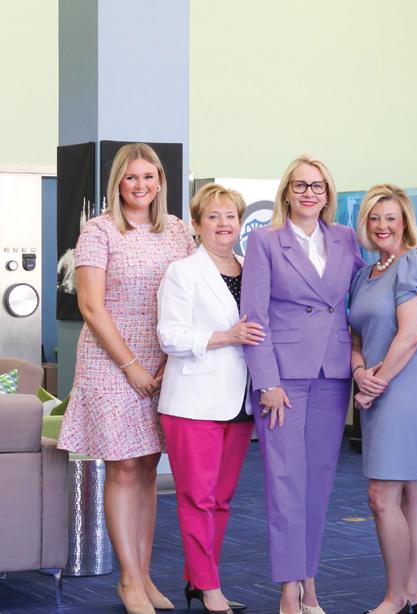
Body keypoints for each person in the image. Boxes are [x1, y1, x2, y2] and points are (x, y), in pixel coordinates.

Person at [57, 143, 195, 614]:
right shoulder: (98, 231)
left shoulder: (177, 230)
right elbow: (90, 306)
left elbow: (192, 293)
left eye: (148, 177)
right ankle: (129, 580)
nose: (141, 185)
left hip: (163, 358)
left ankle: (145, 573)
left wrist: (170, 359)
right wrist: (130, 365)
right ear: (117, 182)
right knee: (124, 466)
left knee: (149, 466)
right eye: (131, 177)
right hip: (111, 359)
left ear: (161, 181)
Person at [240, 155, 363, 614]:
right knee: (286, 483)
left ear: (328, 194)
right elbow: (254, 318)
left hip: (333, 375)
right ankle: (288, 590)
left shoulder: (345, 238)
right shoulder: (265, 241)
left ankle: (310, 583)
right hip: (283, 381)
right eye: (300, 185)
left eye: (317, 186)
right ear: (286, 193)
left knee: (318, 484)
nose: (309, 193)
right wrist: (266, 382)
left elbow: (364, 292)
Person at [157, 183, 265, 614]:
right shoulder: (182, 272)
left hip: (240, 403)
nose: (224, 224)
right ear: (197, 225)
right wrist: (226, 336)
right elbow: (170, 336)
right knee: (197, 499)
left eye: (231, 216)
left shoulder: (252, 269)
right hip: (194, 403)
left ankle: (198, 579)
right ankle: (209, 585)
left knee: (221, 500)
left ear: (241, 223)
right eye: (213, 217)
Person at [348, 184, 417, 614]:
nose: (382, 225)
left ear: (405, 222)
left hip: (407, 389)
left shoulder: (416, 264)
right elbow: (355, 337)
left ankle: (396, 597)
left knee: (382, 496)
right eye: (374, 218)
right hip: (375, 387)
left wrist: (376, 383)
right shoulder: (363, 275)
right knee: (409, 495)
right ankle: (415, 596)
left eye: (390, 218)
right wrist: (359, 373)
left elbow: (410, 336)